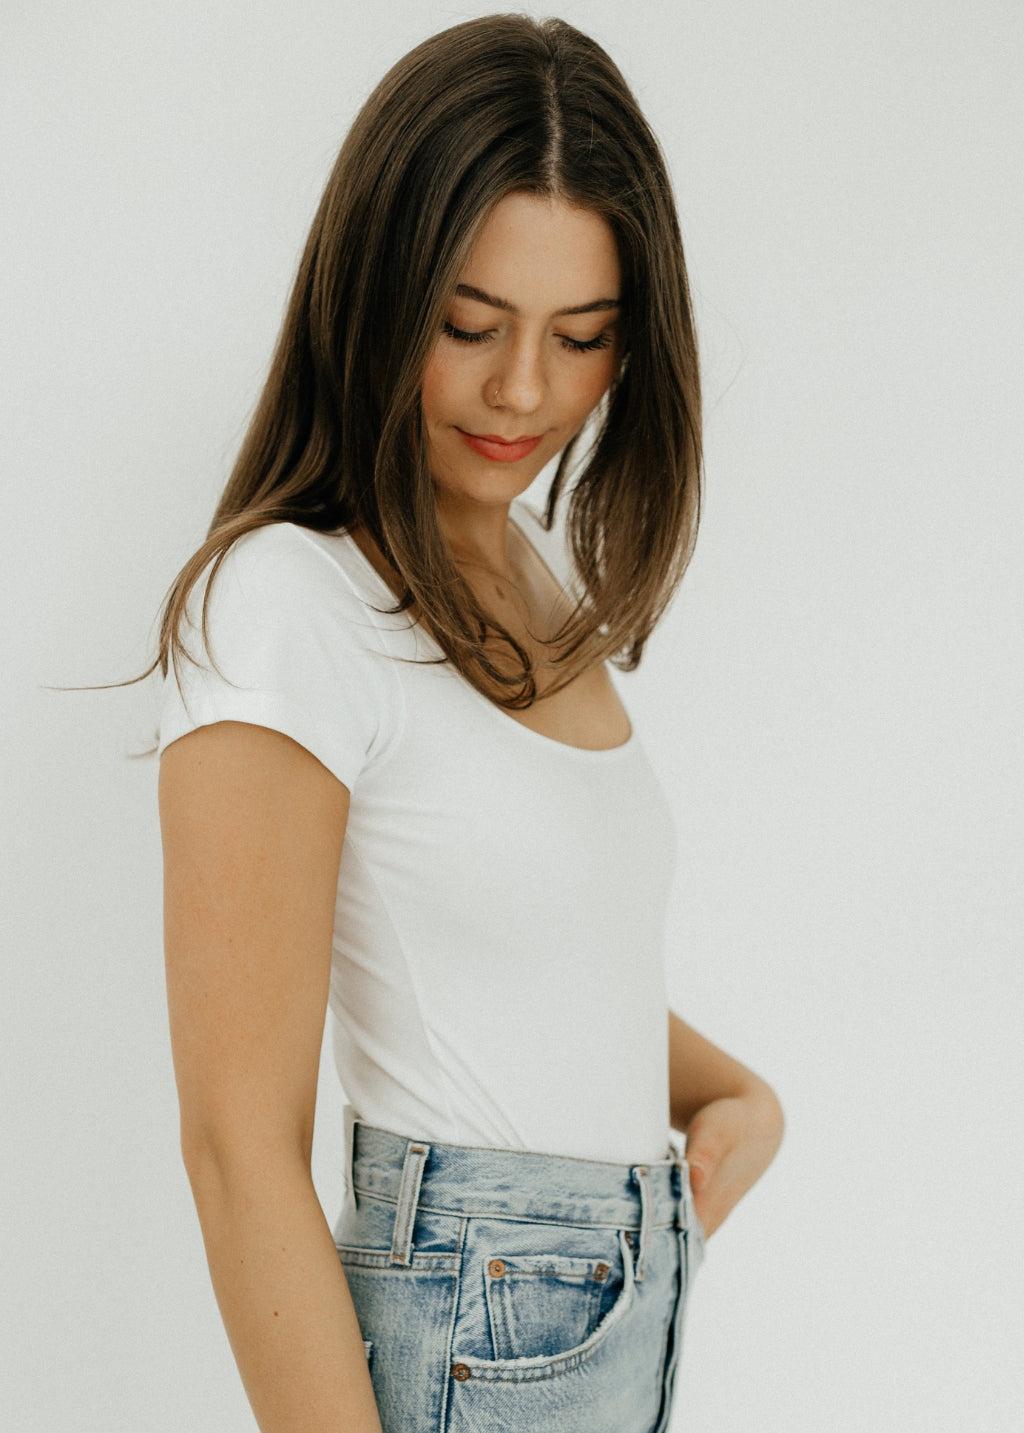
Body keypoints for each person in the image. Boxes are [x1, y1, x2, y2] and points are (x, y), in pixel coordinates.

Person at [156, 15, 784, 1433]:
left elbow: (515, 950)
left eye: (584, 338)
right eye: (469, 324)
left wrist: (732, 1093)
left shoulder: (528, 571)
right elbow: (237, 1149)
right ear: (375, 293)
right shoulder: (290, 601)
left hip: (606, 1310)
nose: (524, 391)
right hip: (476, 1317)